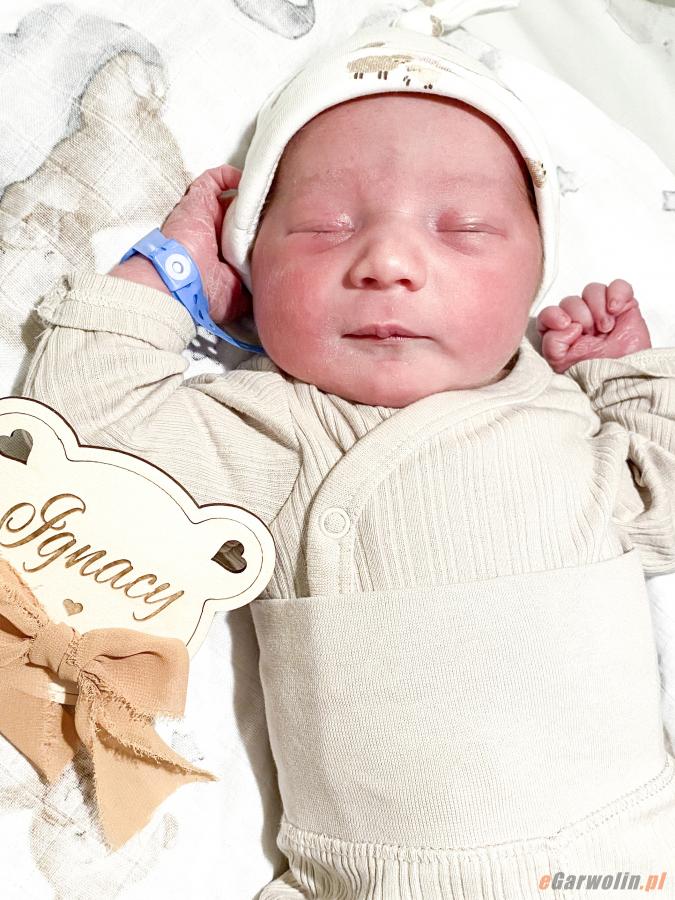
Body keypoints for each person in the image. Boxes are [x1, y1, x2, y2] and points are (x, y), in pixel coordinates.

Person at [20, 15, 675, 900]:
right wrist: (171, 276)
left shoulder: (558, 414)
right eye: (324, 227)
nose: (388, 260)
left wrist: (624, 378)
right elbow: (82, 438)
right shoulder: (277, 427)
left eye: (463, 228)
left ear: (535, 274)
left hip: (623, 864)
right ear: (253, 270)